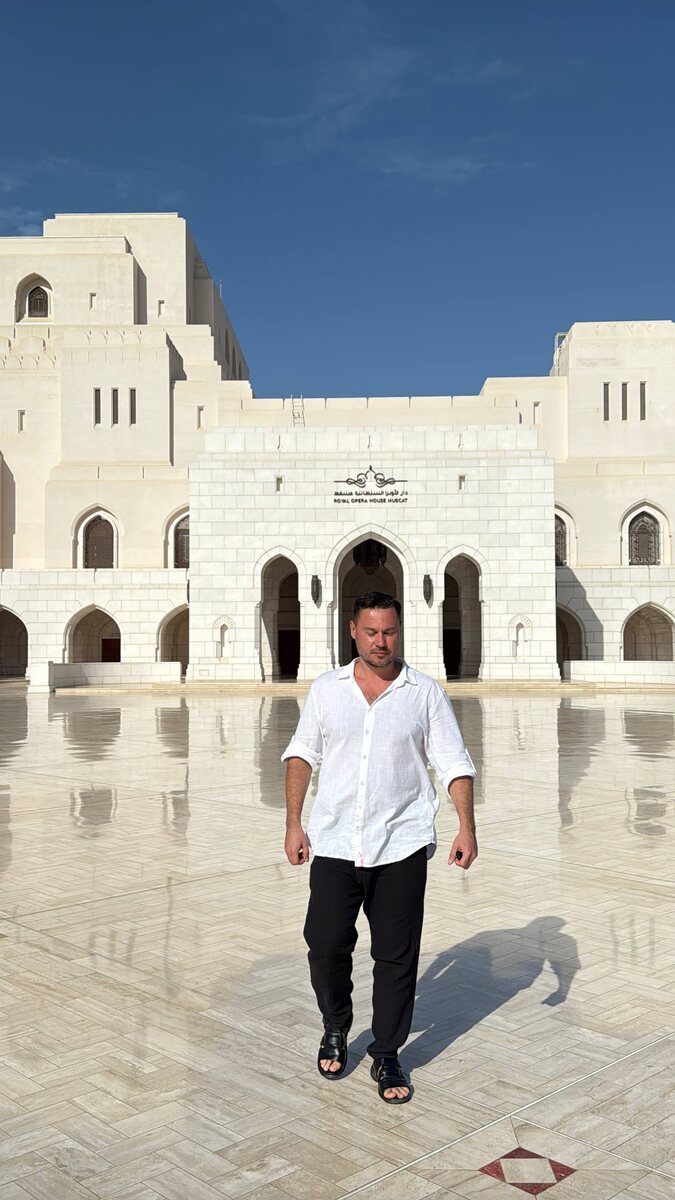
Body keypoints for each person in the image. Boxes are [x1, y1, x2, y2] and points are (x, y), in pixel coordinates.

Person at [282, 590, 477, 1104]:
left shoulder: (424, 693)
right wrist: (293, 823)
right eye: (371, 632)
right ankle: (336, 1023)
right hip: (336, 840)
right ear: (353, 631)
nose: (381, 642)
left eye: (389, 632)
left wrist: (466, 826)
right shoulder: (327, 690)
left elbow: (453, 761)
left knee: (396, 957)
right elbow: (302, 754)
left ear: (400, 632)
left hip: (402, 844)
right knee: (325, 944)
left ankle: (387, 1052)